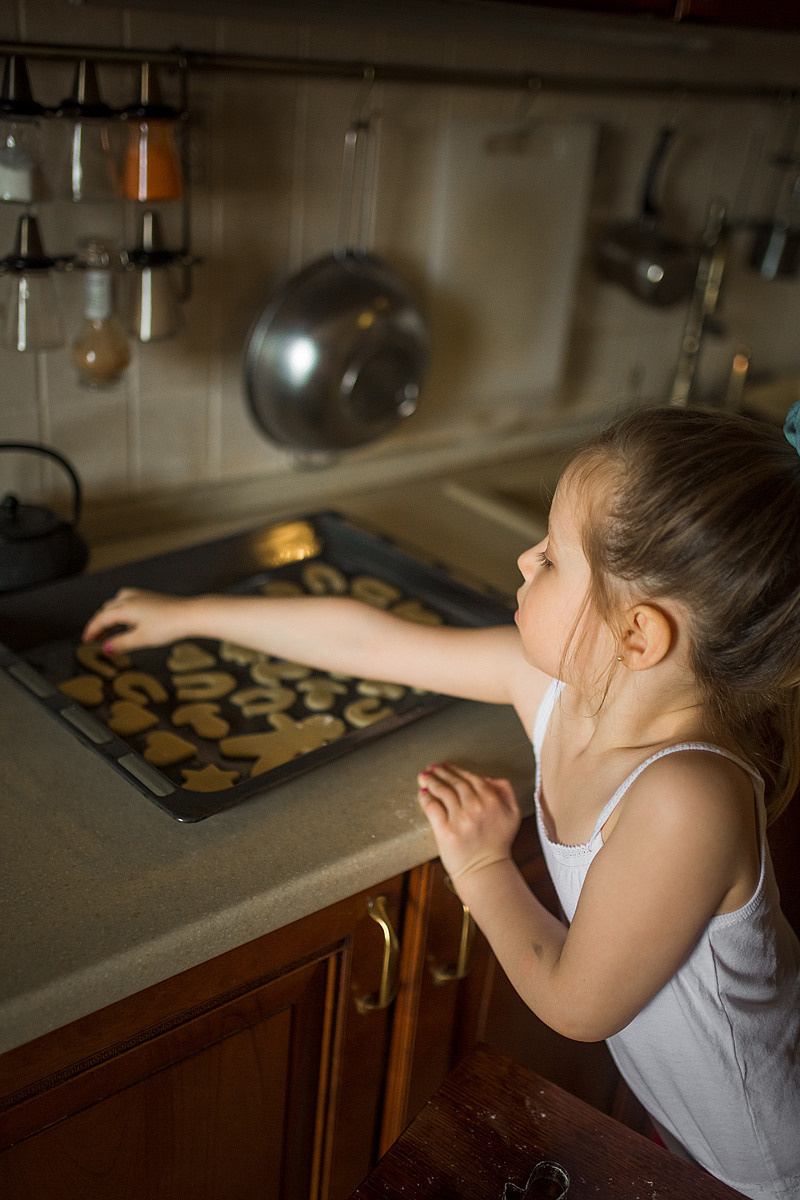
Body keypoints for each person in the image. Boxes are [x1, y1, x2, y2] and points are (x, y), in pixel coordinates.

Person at [83, 404, 800, 1199]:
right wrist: (191, 616)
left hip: (771, 1159)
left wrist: (485, 863)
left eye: (555, 558)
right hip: (696, 1128)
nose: (525, 559)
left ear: (637, 637)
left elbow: (576, 1002)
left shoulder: (685, 797)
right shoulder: (558, 692)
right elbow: (369, 643)